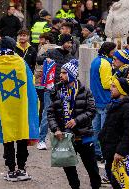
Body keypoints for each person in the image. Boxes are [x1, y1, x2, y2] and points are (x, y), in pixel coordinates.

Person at [0, 36, 39, 182]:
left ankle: (11, 170)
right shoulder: (21, 62)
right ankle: (21, 169)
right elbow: (30, 82)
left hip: (4, 107)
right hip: (21, 107)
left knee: (8, 138)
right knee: (21, 136)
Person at [47, 59, 101, 189]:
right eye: (61, 73)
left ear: (71, 74)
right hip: (65, 137)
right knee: (69, 169)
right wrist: (56, 129)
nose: (61, 75)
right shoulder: (57, 91)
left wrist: (76, 120)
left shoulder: (85, 91)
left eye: (64, 73)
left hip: (84, 136)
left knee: (92, 169)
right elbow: (50, 113)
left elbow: (91, 111)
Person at [99, 77, 129, 189]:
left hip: (120, 155)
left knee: (121, 184)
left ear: (121, 89)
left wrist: (120, 152)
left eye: (113, 86)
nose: (110, 88)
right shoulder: (115, 104)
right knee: (114, 182)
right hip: (110, 152)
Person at [90, 42, 116, 162]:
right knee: (104, 131)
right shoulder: (106, 63)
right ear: (108, 51)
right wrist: (115, 79)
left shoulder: (95, 61)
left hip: (96, 99)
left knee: (95, 130)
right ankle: (103, 154)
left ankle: (96, 153)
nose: (114, 53)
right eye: (113, 50)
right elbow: (106, 84)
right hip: (105, 99)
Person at [35, 33, 58, 150]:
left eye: (42, 39)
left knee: (47, 112)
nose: (40, 41)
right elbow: (39, 61)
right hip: (50, 86)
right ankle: (44, 139)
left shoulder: (46, 48)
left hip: (49, 86)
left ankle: (44, 140)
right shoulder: (51, 50)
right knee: (49, 112)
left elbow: (37, 63)